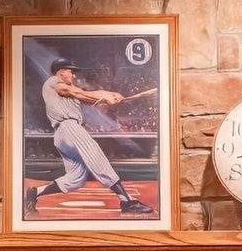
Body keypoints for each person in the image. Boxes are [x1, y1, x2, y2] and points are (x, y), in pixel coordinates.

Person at [25, 59, 155, 217]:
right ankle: (126, 201)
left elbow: (90, 98)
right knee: (97, 158)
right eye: (70, 71)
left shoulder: (68, 89)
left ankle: (34, 192)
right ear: (61, 71)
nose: (73, 75)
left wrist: (110, 96)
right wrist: (106, 95)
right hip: (69, 128)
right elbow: (79, 93)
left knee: (75, 178)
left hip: (63, 133)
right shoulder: (54, 82)